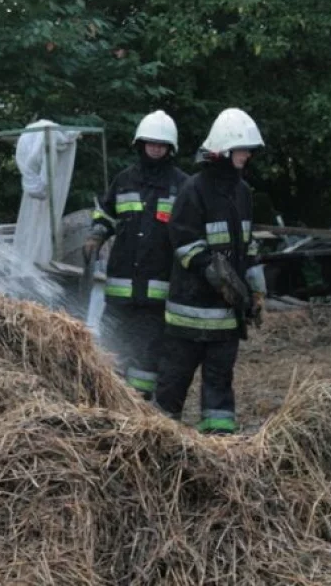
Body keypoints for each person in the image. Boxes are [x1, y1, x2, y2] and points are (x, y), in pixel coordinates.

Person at [154, 108, 267, 434]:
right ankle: (159, 440)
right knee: (172, 383)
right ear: (224, 150)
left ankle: (220, 443)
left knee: (220, 384)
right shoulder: (194, 190)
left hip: (225, 318)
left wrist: (256, 290)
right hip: (188, 315)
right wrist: (214, 273)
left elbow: (248, 247)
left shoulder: (242, 193)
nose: (247, 156)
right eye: (242, 149)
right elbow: (184, 241)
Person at [85, 110, 188, 399]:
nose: (155, 148)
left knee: (147, 354)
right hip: (119, 291)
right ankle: (109, 399)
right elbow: (105, 213)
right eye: (150, 143)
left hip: (158, 293)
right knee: (110, 347)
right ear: (140, 145)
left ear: (170, 148)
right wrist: (96, 233)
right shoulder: (124, 180)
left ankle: (139, 408)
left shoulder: (182, 186)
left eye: (161, 144)